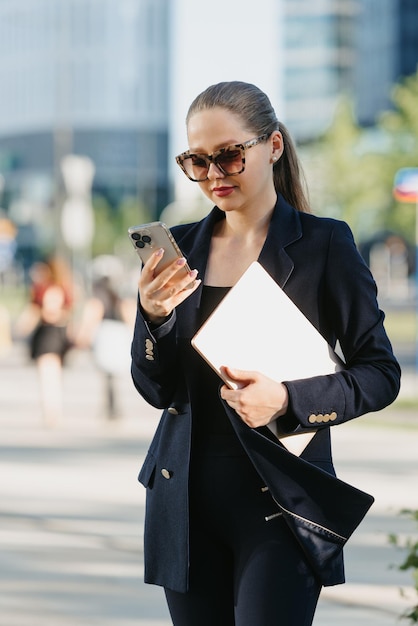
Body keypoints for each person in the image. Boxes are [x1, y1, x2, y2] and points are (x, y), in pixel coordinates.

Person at [130, 81, 401, 626]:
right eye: (196, 161)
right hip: (182, 505)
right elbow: (156, 389)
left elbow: (380, 374)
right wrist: (154, 319)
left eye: (229, 155)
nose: (213, 176)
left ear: (272, 146)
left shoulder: (324, 244)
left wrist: (287, 399)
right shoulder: (177, 250)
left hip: (281, 503)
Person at [17, 257, 74, 426]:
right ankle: (54, 410)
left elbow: (44, 312)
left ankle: (51, 411)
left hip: (47, 334)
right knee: (54, 375)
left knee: (47, 375)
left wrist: (23, 327)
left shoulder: (45, 289)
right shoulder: (65, 288)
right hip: (59, 333)